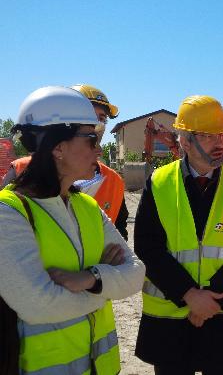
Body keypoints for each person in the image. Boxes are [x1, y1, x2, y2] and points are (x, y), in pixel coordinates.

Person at [0, 86, 145, 374]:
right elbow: (38, 306)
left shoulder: (87, 207)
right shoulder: (9, 213)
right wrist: (106, 285)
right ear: (57, 147)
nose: (99, 148)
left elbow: (136, 274)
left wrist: (88, 278)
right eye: (90, 138)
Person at [134, 95, 223, 375]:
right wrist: (189, 294)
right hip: (170, 323)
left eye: (222, 135)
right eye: (208, 136)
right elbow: (148, 247)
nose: (219, 143)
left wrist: (212, 301)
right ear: (184, 141)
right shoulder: (159, 182)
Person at [1, 84, 129, 240]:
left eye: (101, 119)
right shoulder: (21, 171)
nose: (95, 126)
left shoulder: (113, 181)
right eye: (88, 116)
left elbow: (122, 243)